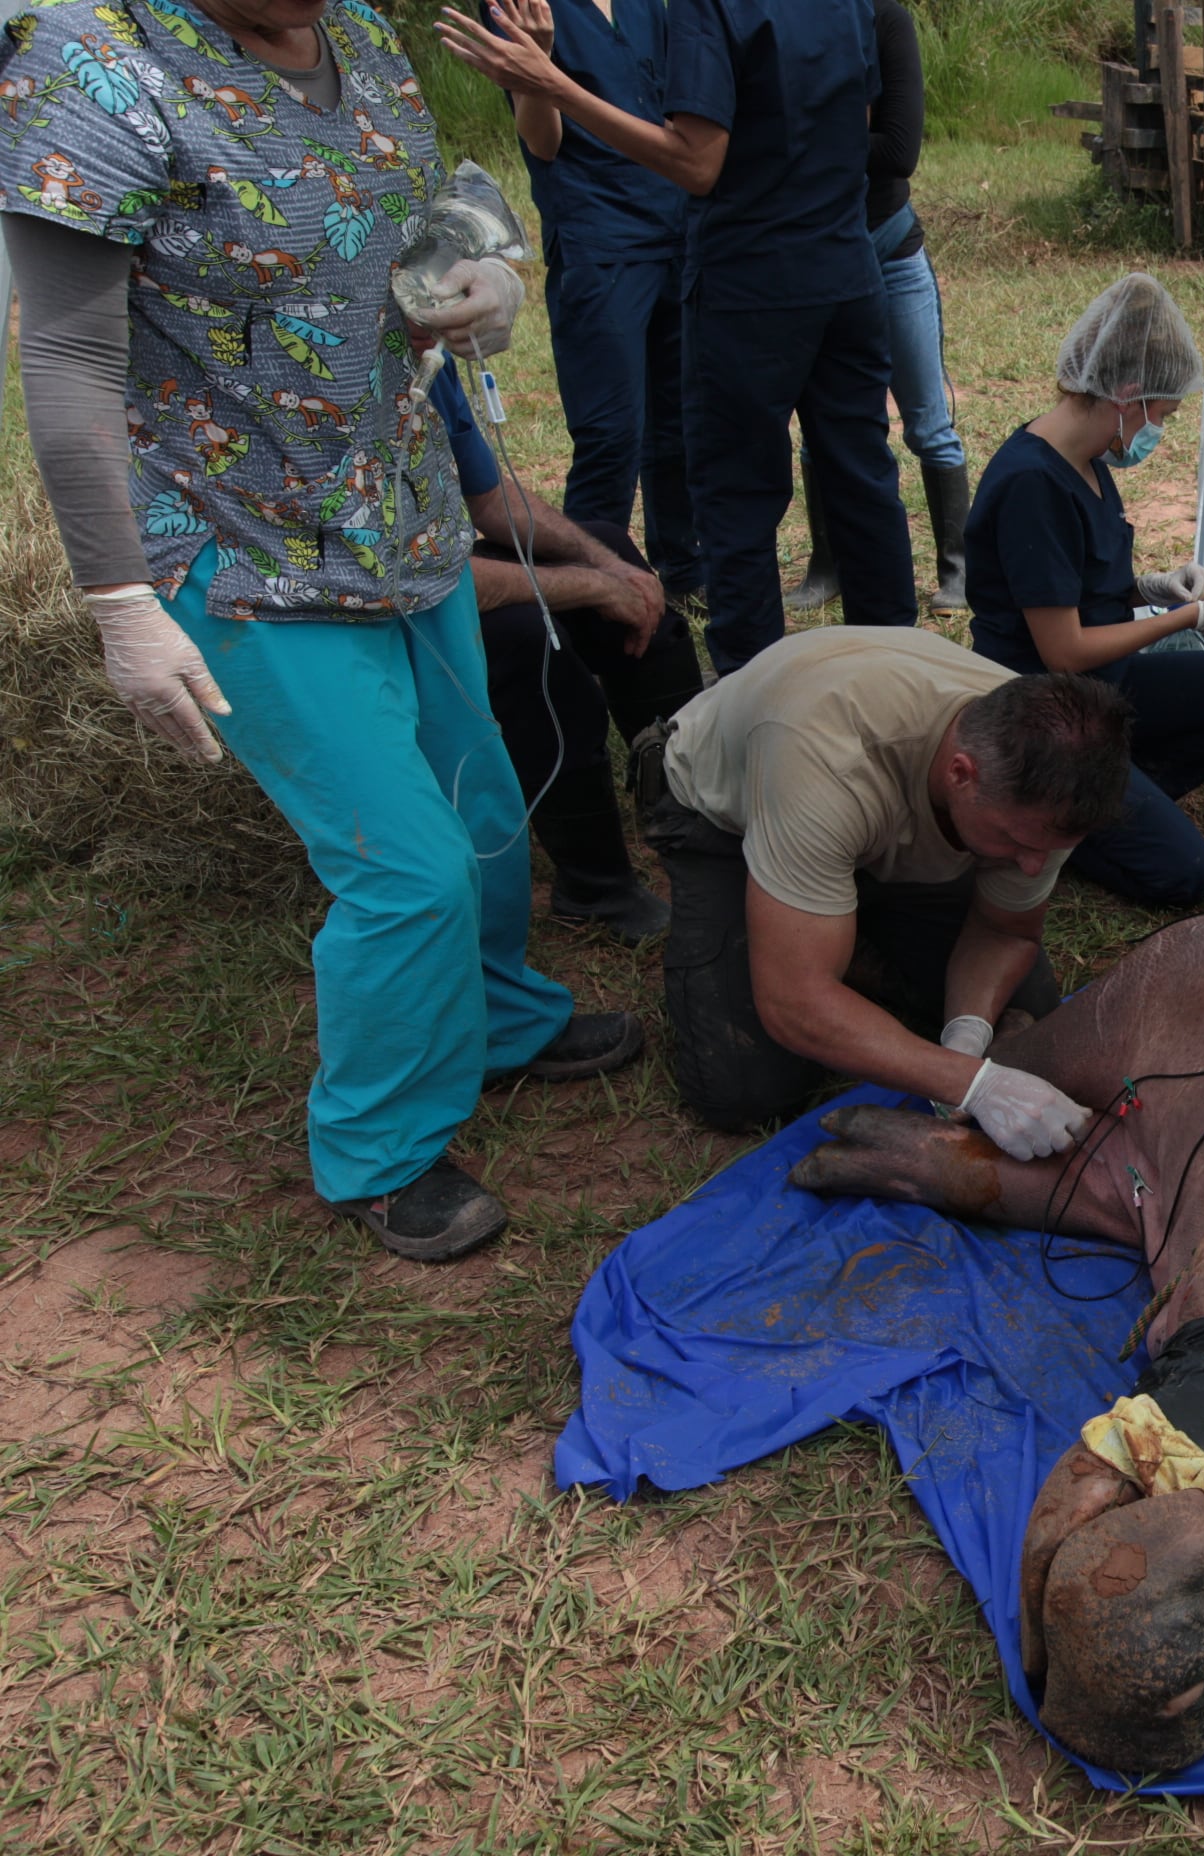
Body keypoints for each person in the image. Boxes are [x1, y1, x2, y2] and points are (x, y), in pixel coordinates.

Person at [2, 0, 642, 1264]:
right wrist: (120, 600)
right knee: (405, 863)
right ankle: (383, 1146)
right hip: (239, 544)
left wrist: (467, 284)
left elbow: (388, 238)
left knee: (482, 804)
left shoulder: (358, 35)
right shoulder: (95, 66)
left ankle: (500, 1012)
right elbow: (68, 354)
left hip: (391, 512)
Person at [440, 0, 917, 673]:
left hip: (750, 285)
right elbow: (855, 119)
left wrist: (554, 84)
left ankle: (750, 707)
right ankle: (902, 673)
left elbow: (698, 164)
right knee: (864, 481)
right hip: (842, 267)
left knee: (739, 502)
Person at [636, 627, 1132, 1143]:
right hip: (727, 816)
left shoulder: (1056, 777)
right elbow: (793, 1003)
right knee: (746, 1087)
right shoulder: (828, 756)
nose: (1033, 867)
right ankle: (833, 933)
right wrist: (973, 1084)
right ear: (962, 774)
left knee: (1025, 1007)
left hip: (868, 820)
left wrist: (967, 1032)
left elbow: (1006, 932)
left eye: (1047, 849)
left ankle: (842, 927)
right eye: (1014, 841)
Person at [963, 274, 1204, 907]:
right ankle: (1073, 818)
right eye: (1162, 415)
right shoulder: (1033, 484)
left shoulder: (1082, 457)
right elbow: (1062, 651)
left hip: (1105, 681)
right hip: (1045, 705)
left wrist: (1155, 586)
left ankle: (1116, 787)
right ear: (1126, 396)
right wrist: (1190, 617)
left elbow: (1079, 580)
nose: (1159, 432)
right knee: (1184, 876)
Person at [427, 365, 701, 940]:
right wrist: (594, 585)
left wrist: (607, 562)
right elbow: (432, 578)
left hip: (427, 568)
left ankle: (693, 803)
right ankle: (594, 889)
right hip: (358, 608)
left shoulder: (425, 358)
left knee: (611, 544)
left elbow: (491, 498)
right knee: (524, 637)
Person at [483, 0, 701, 614]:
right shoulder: (524, 8)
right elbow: (543, 144)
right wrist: (541, 62)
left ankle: (684, 573)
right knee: (611, 434)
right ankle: (588, 590)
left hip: (678, 229)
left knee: (680, 423)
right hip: (600, 242)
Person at [786, 0, 972, 616]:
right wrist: (843, 127)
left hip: (890, 251)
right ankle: (828, 563)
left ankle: (958, 569)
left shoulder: (886, 19)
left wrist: (805, 133)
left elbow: (897, 150)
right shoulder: (786, 18)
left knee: (928, 424)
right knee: (821, 429)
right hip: (819, 256)